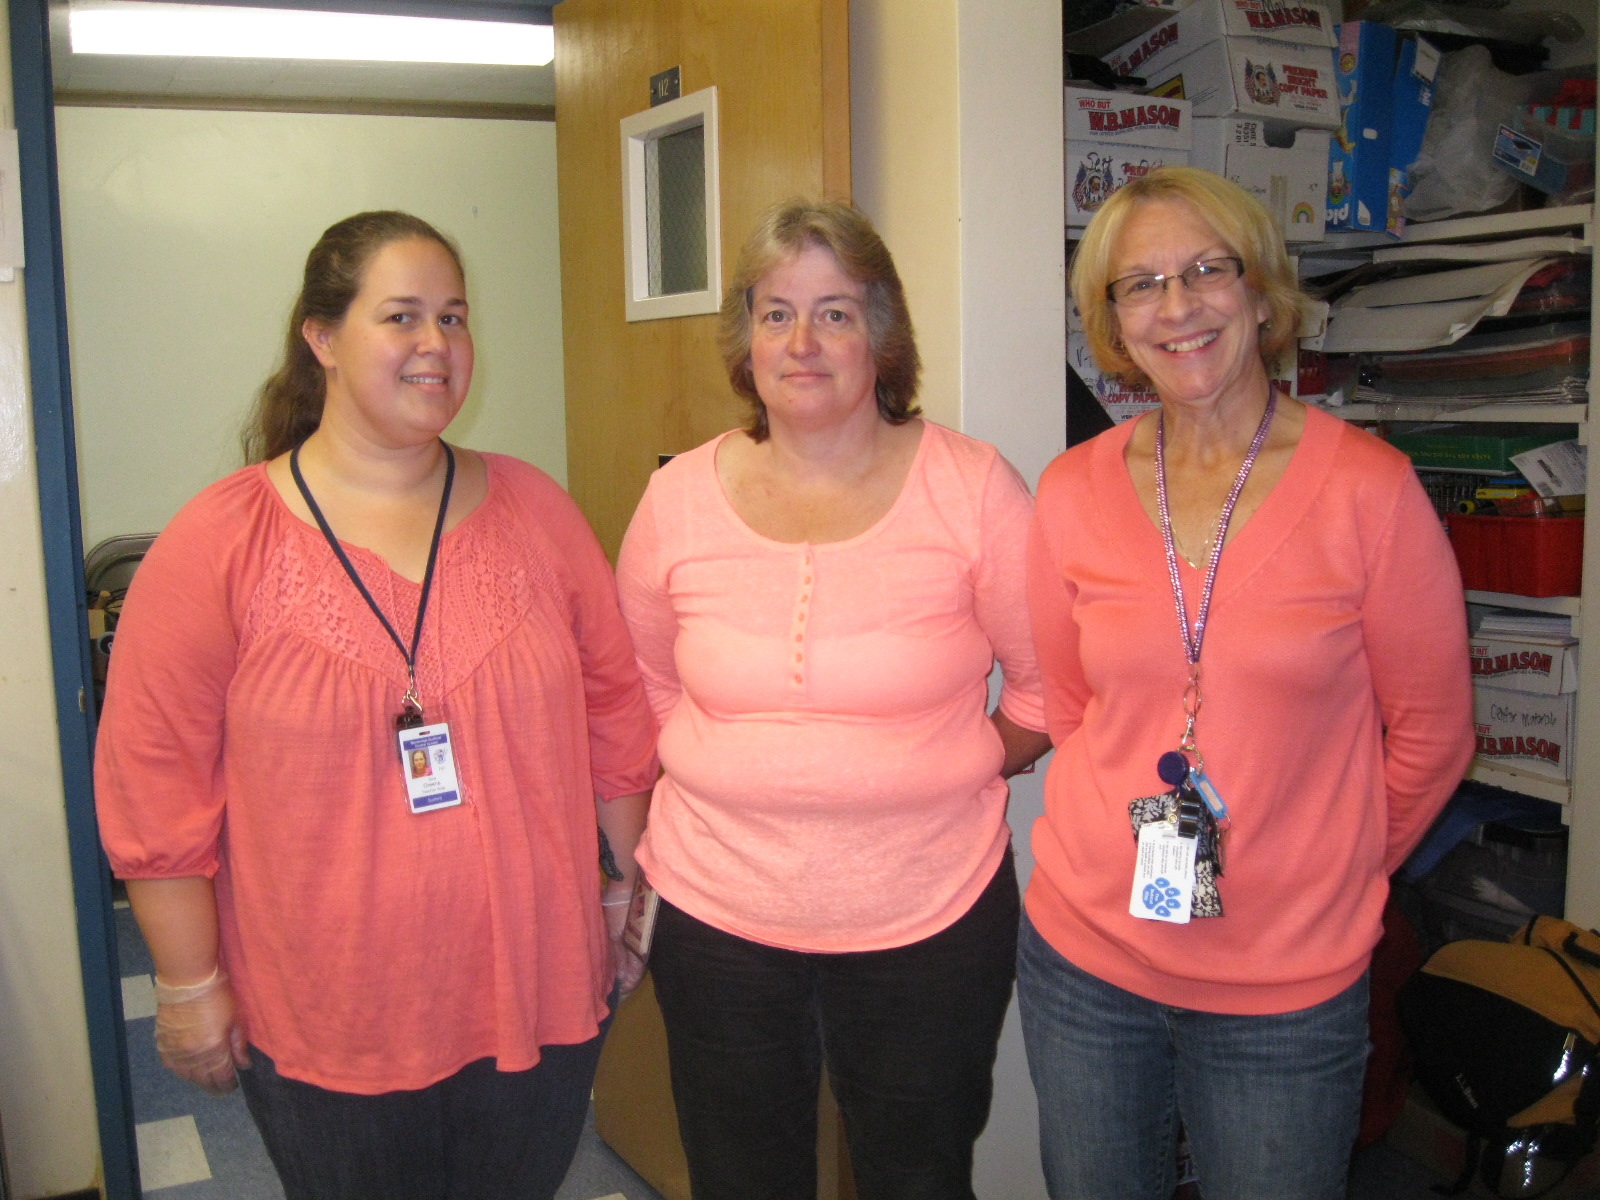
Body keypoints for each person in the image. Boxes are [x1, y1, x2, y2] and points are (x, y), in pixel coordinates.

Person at [94, 210, 658, 1200]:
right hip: (330, 1014)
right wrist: (186, 987)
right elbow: (155, 788)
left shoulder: (538, 511)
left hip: (535, 984)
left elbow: (616, 718)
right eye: (401, 316)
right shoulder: (219, 543)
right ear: (323, 339)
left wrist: (622, 896)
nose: (436, 346)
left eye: (455, 316)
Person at [1021, 165, 1475, 1200]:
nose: (1176, 307)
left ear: (1260, 291)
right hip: (1086, 962)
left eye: (1204, 270)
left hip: (1284, 987)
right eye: (1139, 285)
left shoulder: (1369, 491)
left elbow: (1433, 733)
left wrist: (1336, 867)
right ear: (1111, 323)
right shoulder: (1072, 490)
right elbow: (1080, 708)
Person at [615, 198, 1052, 1200]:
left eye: (835, 313)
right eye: (775, 313)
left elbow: (1044, 690)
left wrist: (949, 767)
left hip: (927, 922)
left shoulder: (971, 487)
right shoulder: (675, 497)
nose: (801, 342)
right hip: (716, 916)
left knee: (916, 1175)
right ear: (745, 339)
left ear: (881, 337)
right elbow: (638, 684)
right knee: (739, 1177)